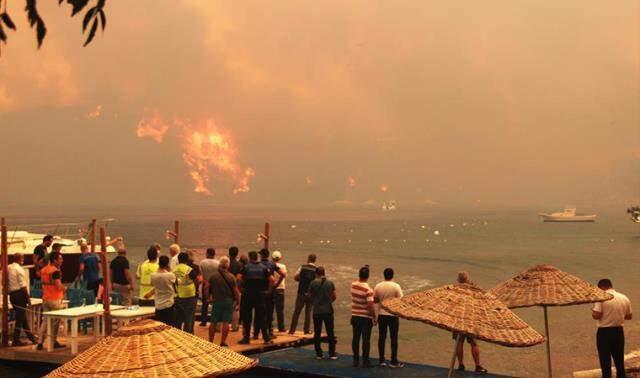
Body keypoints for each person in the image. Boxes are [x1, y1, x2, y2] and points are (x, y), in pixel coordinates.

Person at [592, 278, 632, 378]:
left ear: (601, 288)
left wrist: (592, 312)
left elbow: (596, 315)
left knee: (605, 362)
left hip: (604, 332)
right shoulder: (624, 297)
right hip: (618, 332)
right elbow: (629, 316)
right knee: (619, 361)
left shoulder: (601, 298)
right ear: (610, 285)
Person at [453, 271, 487, 373]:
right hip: (470, 319)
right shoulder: (474, 289)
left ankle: (460, 365)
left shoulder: (455, 290)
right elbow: (480, 302)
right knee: (473, 343)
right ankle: (478, 366)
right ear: (468, 279)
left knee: (459, 342)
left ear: (458, 280)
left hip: (458, 319)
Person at [237, 250, 273, 345]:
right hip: (260, 295)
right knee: (262, 317)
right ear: (256, 257)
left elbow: (238, 278)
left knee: (247, 317)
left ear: (249, 257)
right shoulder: (263, 268)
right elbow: (272, 279)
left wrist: (240, 289)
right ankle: (266, 339)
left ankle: (246, 338)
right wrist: (268, 290)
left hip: (248, 295)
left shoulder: (246, 267)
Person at [374, 267, 404, 368]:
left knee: (382, 337)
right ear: (392, 275)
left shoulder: (378, 286)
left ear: (384, 275)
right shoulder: (396, 286)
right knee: (393, 338)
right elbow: (401, 300)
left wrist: (375, 315)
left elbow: (375, 301)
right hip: (393, 315)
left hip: (382, 314)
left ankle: (381, 360)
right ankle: (393, 361)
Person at [37, 251, 66, 350]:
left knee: (45, 321)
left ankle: (40, 342)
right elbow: (58, 285)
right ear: (55, 260)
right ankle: (53, 342)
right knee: (55, 321)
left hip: (45, 298)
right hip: (54, 299)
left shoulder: (44, 270)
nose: (62, 261)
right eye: (60, 259)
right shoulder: (55, 271)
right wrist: (64, 288)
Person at [208, 256, 239, 346]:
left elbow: (207, 287)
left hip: (216, 300)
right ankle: (223, 341)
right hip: (228, 301)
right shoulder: (231, 277)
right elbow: (236, 291)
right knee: (226, 322)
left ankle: (210, 341)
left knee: (213, 321)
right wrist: (238, 302)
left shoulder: (213, 276)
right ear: (227, 266)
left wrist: (208, 298)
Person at [256, 248, 286, 339]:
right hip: (270, 291)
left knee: (259, 312)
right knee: (270, 312)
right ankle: (270, 332)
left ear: (261, 255)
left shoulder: (258, 264)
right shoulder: (272, 264)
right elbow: (283, 274)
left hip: (260, 291)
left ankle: (256, 333)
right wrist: (276, 285)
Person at [8, 253, 38, 346]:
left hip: (12, 295)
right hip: (19, 295)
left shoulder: (8, 267)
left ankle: (32, 338)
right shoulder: (19, 269)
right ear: (21, 259)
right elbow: (23, 286)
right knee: (20, 319)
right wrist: (28, 299)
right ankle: (15, 341)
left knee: (22, 318)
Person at [308, 266, 337, 360]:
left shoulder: (313, 282)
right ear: (324, 273)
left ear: (316, 273)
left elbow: (310, 295)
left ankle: (319, 354)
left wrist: (316, 301)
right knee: (330, 332)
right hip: (328, 310)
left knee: (317, 332)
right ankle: (332, 354)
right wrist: (328, 301)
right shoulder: (330, 283)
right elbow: (334, 296)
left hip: (317, 311)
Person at [351, 265, 376, 368]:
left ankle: (355, 360)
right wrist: (374, 316)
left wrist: (365, 268)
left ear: (359, 275)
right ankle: (365, 361)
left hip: (355, 315)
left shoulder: (353, 285)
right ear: (368, 276)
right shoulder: (369, 290)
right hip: (365, 318)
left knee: (355, 338)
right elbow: (370, 305)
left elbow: (358, 281)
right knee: (366, 340)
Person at [289, 254, 317, 335]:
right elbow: (316, 282)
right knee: (308, 313)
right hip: (311, 294)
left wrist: (301, 280)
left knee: (297, 311)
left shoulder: (302, 267)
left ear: (308, 259)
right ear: (315, 260)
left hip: (301, 292)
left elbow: (295, 277)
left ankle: (292, 330)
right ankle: (306, 330)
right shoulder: (316, 270)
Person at [146, 255, 176, 326]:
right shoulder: (170, 275)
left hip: (158, 304)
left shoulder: (153, 275)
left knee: (159, 326)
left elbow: (154, 285)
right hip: (168, 304)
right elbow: (177, 282)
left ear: (159, 263)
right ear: (167, 264)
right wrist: (170, 270)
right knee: (169, 327)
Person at [174, 252, 199, 333]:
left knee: (178, 318)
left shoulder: (174, 269)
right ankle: (187, 336)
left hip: (178, 295)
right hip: (189, 295)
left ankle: (178, 335)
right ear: (187, 259)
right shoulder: (189, 269)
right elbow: (196, 280)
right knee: (188, 318)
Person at [199, 247, 219, 326]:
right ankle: (214, 320)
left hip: (205, 282)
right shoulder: (218, 263)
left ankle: (203, 320)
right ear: (214, 254)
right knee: (215, 302)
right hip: (215, 284)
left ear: (207, 253)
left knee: (205, 303)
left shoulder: (202, 262)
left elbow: (201, 273)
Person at [272, 251, 287, 333]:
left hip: (272, 288)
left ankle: (269, 326)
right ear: (280, 258)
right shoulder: (283, 266)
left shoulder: (270, 265)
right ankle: (281, 328)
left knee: (270, 308)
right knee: (280, 309)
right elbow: (284, 275)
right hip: (280, 288)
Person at [228, 246, 242, 331]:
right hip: (235, 288)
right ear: (237, 254)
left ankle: (218, 326)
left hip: (225, 288)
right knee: (235, 308)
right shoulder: (239, 265)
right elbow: (240, 278)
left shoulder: (225, 263)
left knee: (223, 308)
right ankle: (235, 326)